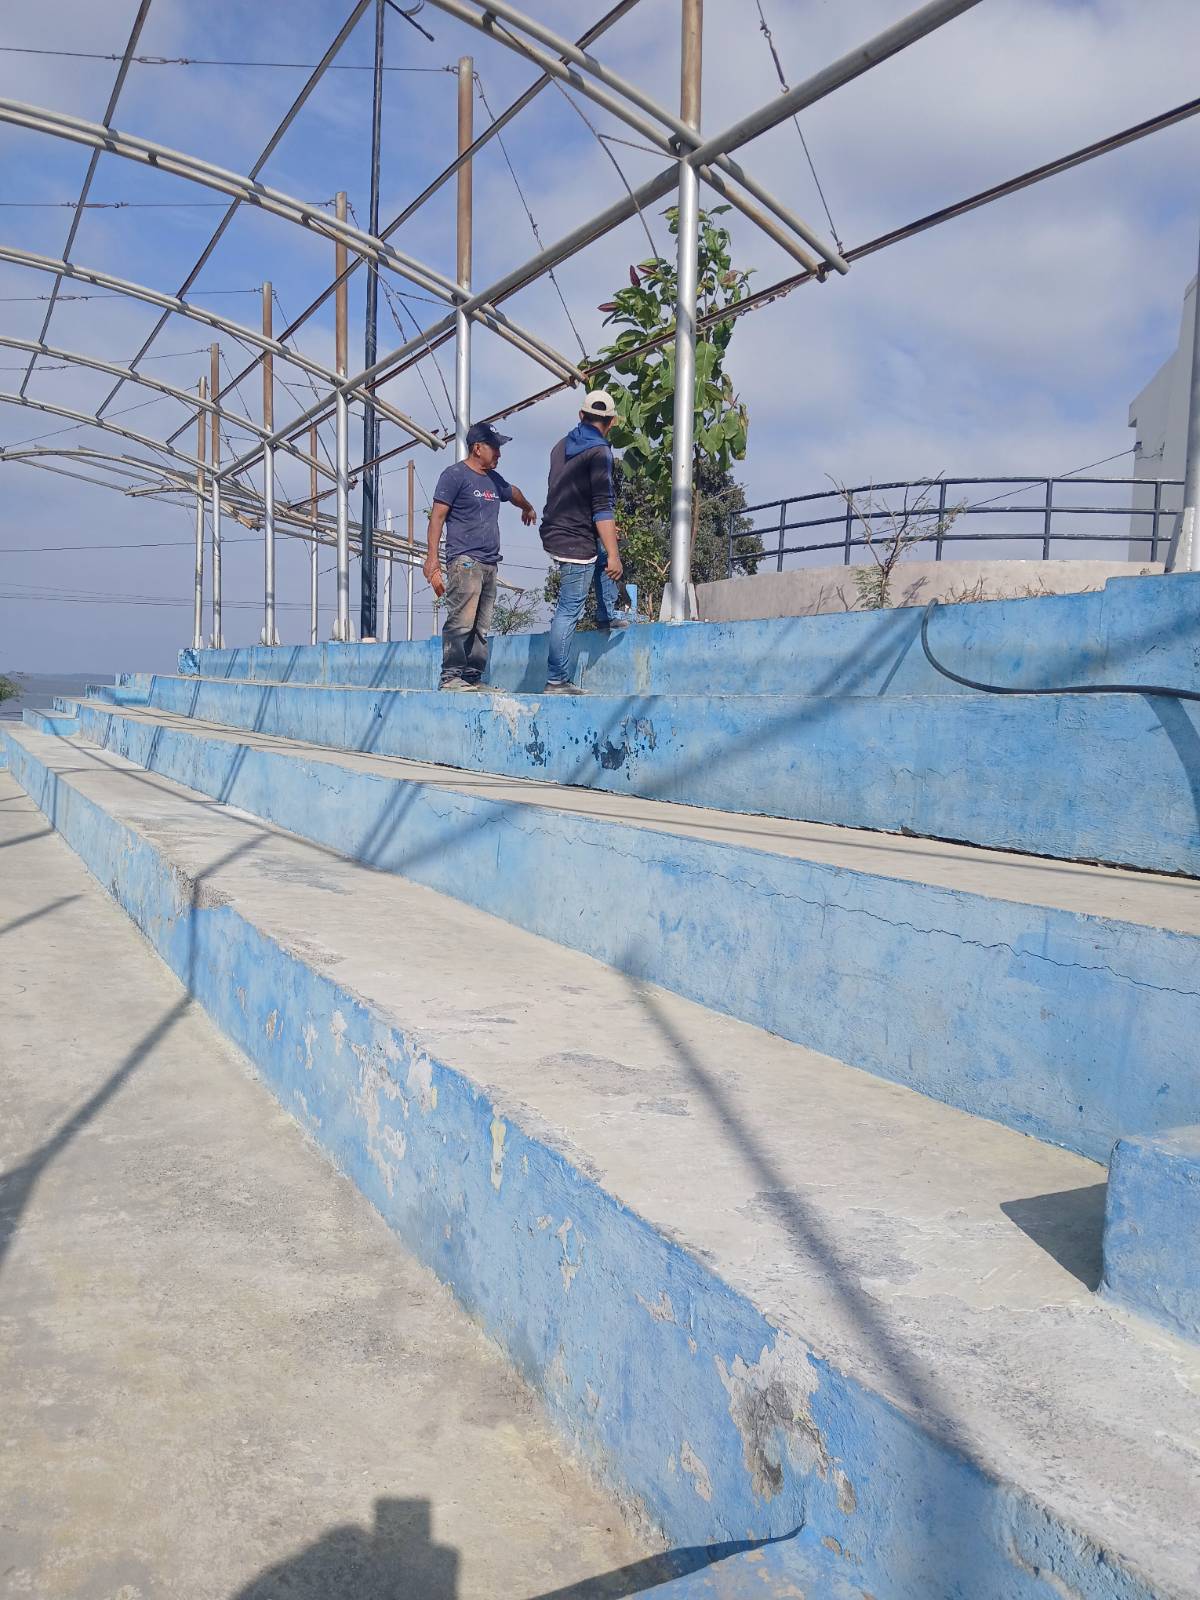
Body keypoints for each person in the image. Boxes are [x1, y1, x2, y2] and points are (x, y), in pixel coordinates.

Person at [423, 421, 537, 691]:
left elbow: (513, 492)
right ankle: (451, 677)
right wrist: (432, 557)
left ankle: (472, 677)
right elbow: (437, 518)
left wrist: (527, 507)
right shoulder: (454, 476)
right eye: (494, 448)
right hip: (465, 561)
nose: (499, 454)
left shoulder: (494, 480)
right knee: (461, 621)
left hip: (489, 563)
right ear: (477, 448)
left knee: (481, 627)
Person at [539, 390, 627, 694]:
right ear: (611, 422)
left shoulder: (560, 446)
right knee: (569, 608)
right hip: (574, 537)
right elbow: (602, 506)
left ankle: (606, 615)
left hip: (554, 528)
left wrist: (607, 539)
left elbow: (570, 493)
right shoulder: (600, 452)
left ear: (581, 416)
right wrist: (614, 555)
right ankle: (556, 680)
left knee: (604, 549)